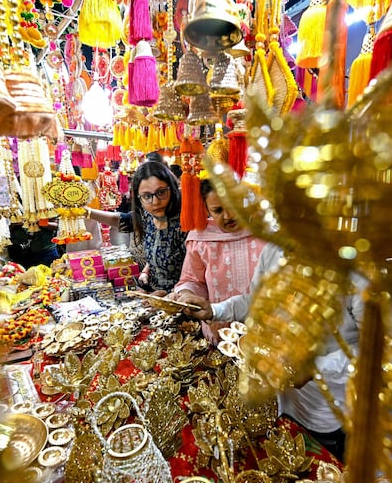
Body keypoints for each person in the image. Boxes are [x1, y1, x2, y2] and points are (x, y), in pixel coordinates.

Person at [178, 243, 367, 462]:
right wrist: (215, 310)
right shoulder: (274, 250)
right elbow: (255, 301)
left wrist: (316, 369)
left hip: (328, 409)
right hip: (281, 399)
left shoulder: (357, 270)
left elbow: (376, 351)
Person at [169, 178, 266, 341]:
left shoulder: (266, 234)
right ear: (206, 209)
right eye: (218, 210)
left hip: (267, 336)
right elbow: (193, 280)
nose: (228, 216)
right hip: (220, 333)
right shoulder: (201, 239)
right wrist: (186, 294)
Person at [86, 161, 187, 294]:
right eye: (146, 196)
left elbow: (195, 275)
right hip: (152, 295)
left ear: (172, 189)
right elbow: (122, 219)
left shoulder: (186, 223)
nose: (155, 202)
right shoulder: (147, 216)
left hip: (181, 300)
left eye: (161, 192)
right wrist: (146, 272)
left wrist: (171, 295)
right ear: (139, 198)